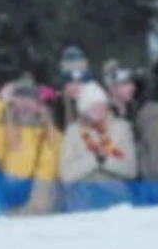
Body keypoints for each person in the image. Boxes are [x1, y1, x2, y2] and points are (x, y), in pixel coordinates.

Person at [0, 75, 62, 215]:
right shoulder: (5, 133)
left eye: (28, 102)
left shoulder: (53, 135)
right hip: (11, 203)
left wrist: (40, 198)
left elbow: (54, 170)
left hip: (44, 203)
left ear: (38, 105)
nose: (24, 107)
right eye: (19, 103)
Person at [59, 79, 139, 208]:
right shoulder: (73, 132)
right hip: (82, 199)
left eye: (101, 105)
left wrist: (105, 159)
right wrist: (95, 158)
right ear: (83, 109)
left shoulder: (122, 128)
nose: (98, 109)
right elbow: (66, 174)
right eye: (92, 106)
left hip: (115, 197)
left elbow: (130, 169)